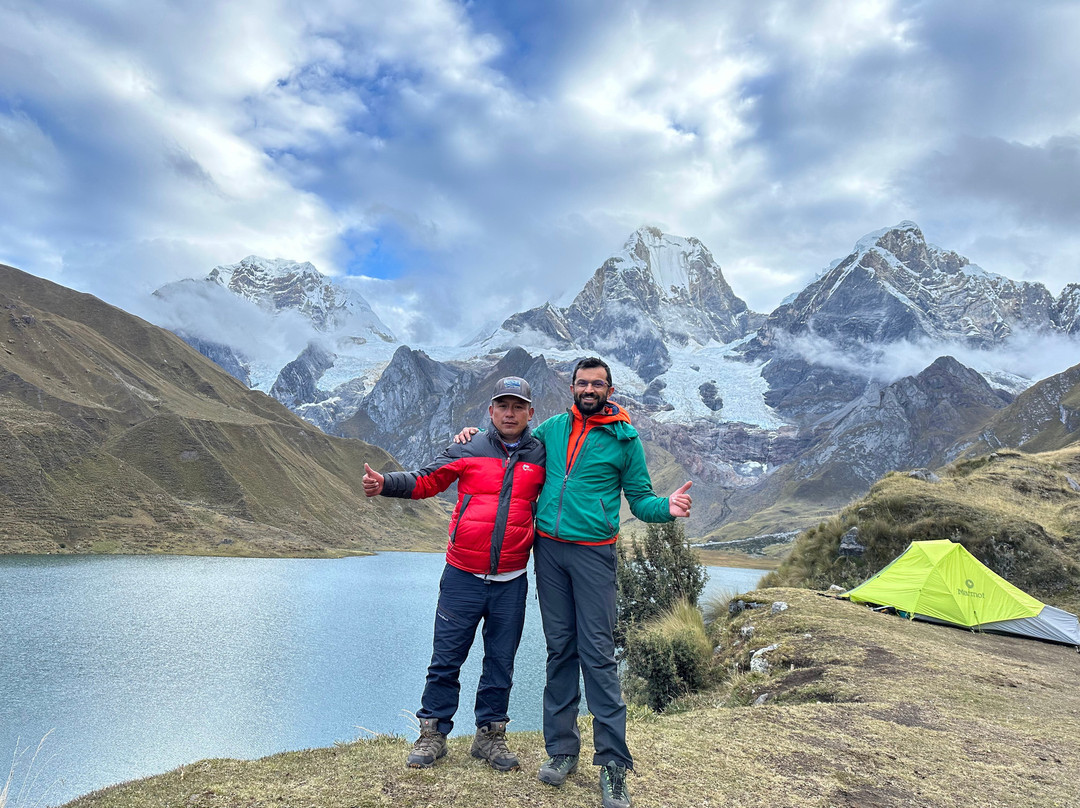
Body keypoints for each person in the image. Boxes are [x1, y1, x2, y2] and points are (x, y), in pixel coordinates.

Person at [456, 357, 692, 808]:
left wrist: (668, 508)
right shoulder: (552, 430)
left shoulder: (625, 440)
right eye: (582, 382)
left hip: (593, 556)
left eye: (597, 383)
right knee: (559, 649)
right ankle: (562, 751)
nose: (589, 389)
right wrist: (474, 438)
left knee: (598, 655)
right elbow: (510, 442)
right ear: (572, 387)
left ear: (609, 388)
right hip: (548, 553)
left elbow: (641, 501)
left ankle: (614, 767)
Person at [363, 376, 546, 772]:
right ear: (491, 411)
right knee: (446, 659)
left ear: (530, 413)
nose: (510, 413)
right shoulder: (469, 446)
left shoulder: (542, 454)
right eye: (503, 406)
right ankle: (432, 734)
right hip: (462, 575)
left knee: (501, 662)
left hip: (511, 581)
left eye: (518, 407)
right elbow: (427, 480)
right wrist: (386, 483)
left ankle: (490, 737)